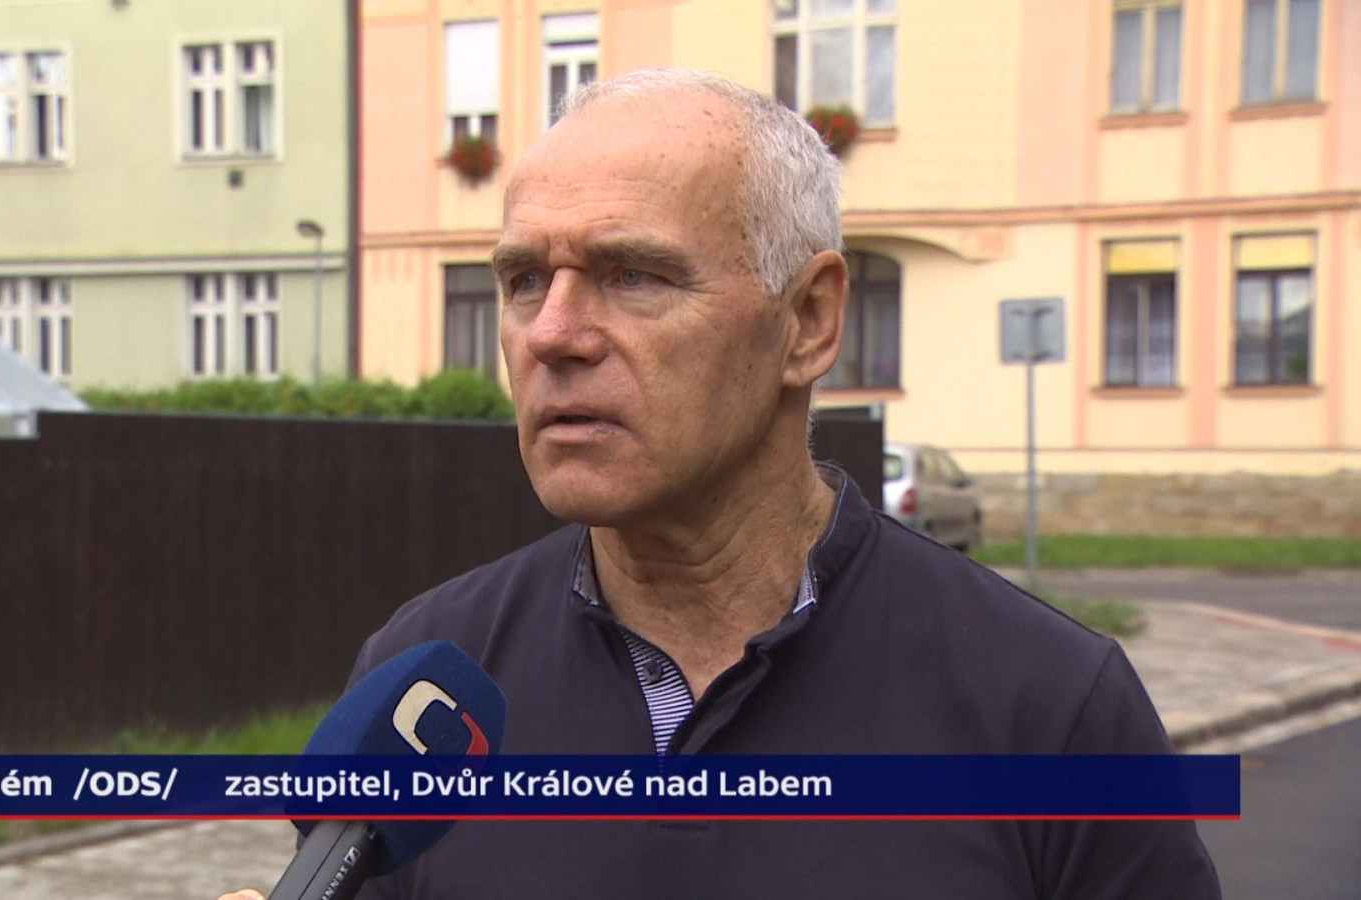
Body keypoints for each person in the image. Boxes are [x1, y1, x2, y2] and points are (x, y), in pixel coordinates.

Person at [223, 68, 1220, 899]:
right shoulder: (427, 693)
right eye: (524, 280)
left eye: (634, 275)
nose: (553, 334)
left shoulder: (1048, 709)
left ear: (809, 321)